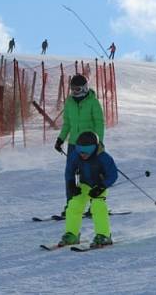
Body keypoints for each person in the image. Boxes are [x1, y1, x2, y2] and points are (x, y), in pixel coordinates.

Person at [57, 131, 118, 249]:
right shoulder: (76, 155)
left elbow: (113, 175)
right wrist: (71, 184)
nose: (83, 155)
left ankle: (103, 235)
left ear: (94, 148)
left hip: (99, 185)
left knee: (97, 206)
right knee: (74, 205)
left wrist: (101, 187)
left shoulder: (103, 157)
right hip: (84, 184)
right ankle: (72, 234)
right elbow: (69, 170)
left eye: (86, 152)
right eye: (80, 152)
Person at [54, 74, 105, 215]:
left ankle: (93, 205)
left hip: (89, 144)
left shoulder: (93, 102)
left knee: (88, 175)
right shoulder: (69, 102)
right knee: (69, 174)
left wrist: (99, 142)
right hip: (73, 144)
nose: (74, 92)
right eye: (72, 89)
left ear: (84, 88)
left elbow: (99, 123)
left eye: (77, 89)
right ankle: (71, 205)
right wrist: (60, 139)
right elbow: (67, 123)